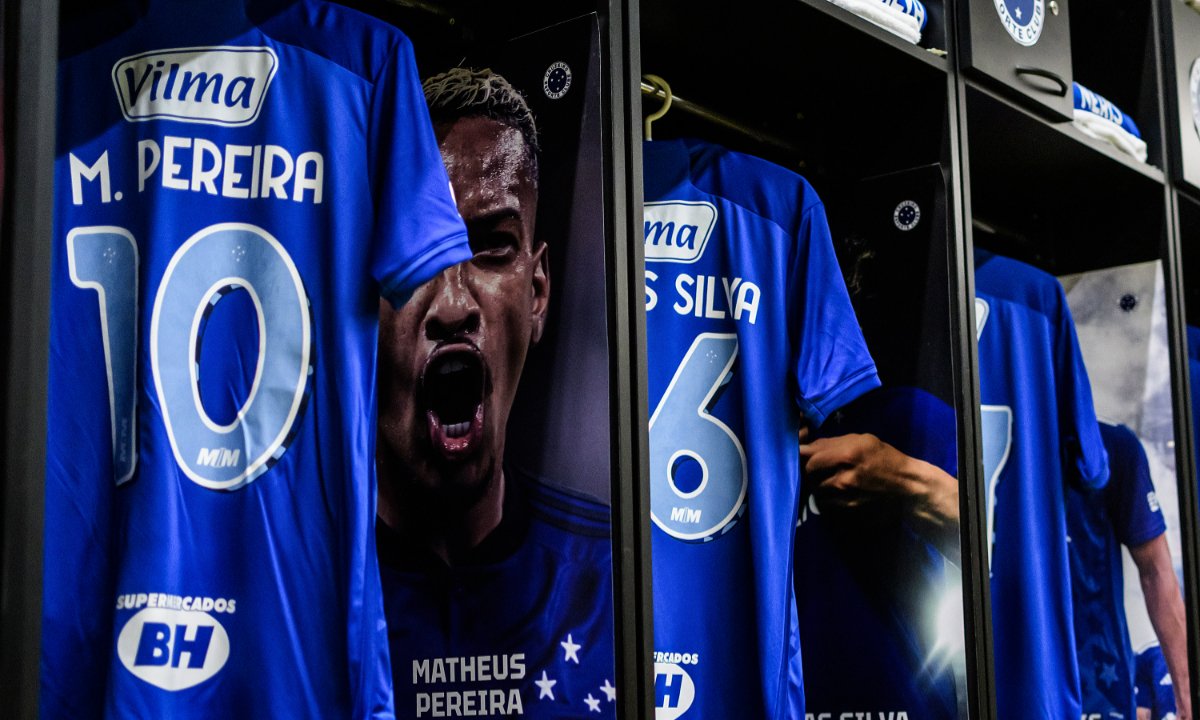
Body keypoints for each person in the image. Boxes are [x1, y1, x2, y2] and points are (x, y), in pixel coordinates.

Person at [375, 67, 616, 719]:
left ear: (537, 294)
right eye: (415, 256)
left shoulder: (616, 583)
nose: (453, 304)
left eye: (490, 248)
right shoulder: (299, 584)